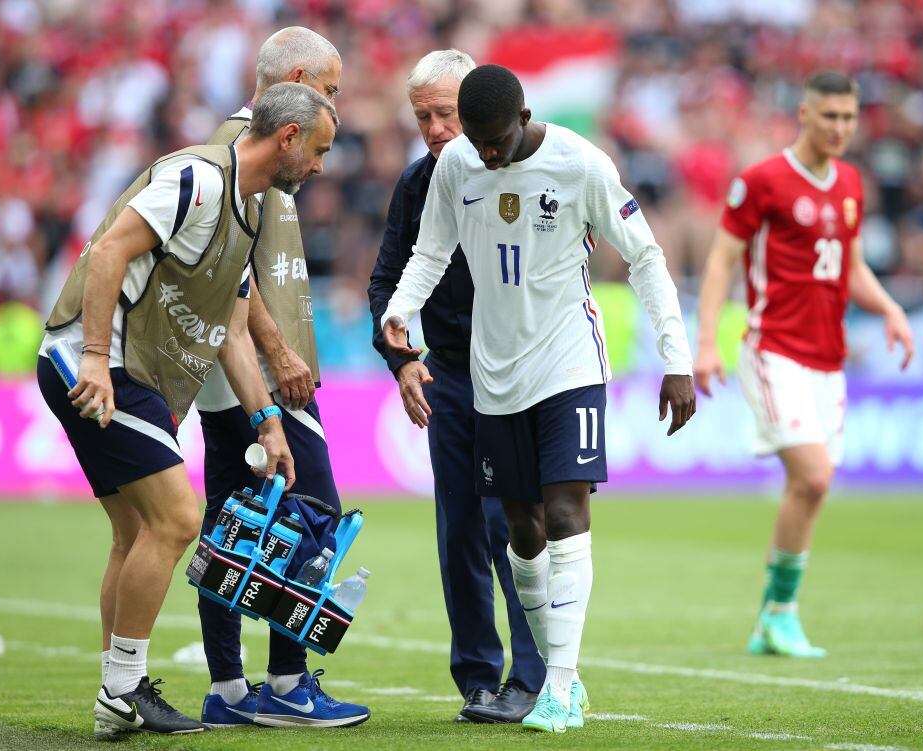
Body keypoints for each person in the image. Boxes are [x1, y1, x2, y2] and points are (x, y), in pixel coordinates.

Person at [381, 64, 696, 733]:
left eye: (495, 140)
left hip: (569, 362)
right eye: (475, 140)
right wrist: (401, 312)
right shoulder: (456, 166)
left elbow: (644, 255)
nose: (485, 154)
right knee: (520, 530)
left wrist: (677, 359)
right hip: (494, 373)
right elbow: (430, 253)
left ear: (523, 117)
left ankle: (556, 683)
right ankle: (563, 672)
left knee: (562, 509)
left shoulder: (580, 163)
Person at [37, 82, 337, 736]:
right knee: (176, 518)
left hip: (121, 368)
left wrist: (267, 420)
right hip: (95, 362)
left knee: (134, 532)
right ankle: (123, 690)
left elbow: (230, 331)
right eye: (317, 151)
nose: (319, 166)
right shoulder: (197, 179)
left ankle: (116, 693)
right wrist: (93, 354)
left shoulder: (249, 209)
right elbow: (112, 248)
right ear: (287, 138)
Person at [694, 71, 914, 658]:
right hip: (772, 349)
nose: (841, 128)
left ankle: (773, 616)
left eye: (849, 117)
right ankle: (781, 613)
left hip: (827, 358)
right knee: (813, 475)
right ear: (805, 114)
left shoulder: (850, 182)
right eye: (831, 117)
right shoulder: (762, 181)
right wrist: (707, 343)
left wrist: (890, 309)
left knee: (812, 488)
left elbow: (851, 265)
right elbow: (721, 261)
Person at [192, 26, 368, 729]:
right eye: (330, 89)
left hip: (243, 370)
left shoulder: (249, 140)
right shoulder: (253, 145)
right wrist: (280, 352)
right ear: (297, 77)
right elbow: (232, 265)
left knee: (233, 524)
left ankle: (229, 691)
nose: (336, 105)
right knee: (311, 515)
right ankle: (289, 682)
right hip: (260, 376)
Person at [368, 50, 545, 725]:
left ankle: (530, 674)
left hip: (517, 370)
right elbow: (385, 282)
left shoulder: (526, 174)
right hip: (446, 373)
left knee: (513, 523)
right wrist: (403, 359)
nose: (437, 128)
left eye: (447, 113)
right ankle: (477, 675)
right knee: (460, 530)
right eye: (425, 117)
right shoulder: (417, 185)